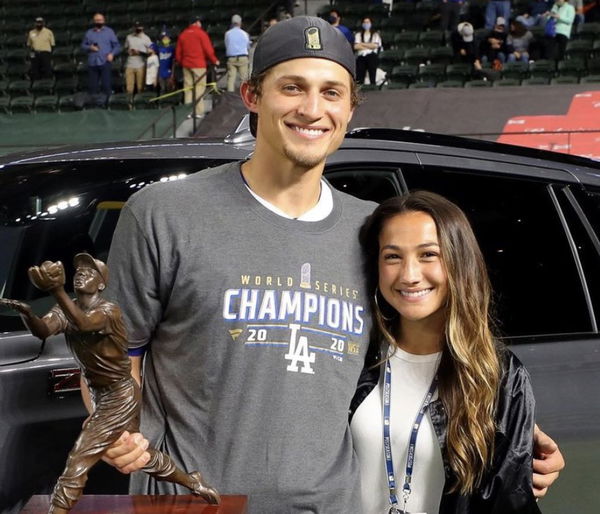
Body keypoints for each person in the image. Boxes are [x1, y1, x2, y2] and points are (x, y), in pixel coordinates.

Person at [95, 16, 563, 514]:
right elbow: (108, 360)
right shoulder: (165, 214)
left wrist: (505, 423)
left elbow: (424, 349)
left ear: (350, 107)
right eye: (292, 88)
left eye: (331, 92)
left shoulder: (373, 232)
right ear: (252, 96)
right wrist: (117, 428)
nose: (312, 109)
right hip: (194, 504)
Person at [351, 191, 542, 513]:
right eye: (392, 257)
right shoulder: (352, 358)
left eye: (428, 255)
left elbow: (509, 501)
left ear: (458, 261)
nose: (409, 275)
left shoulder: (498, 377)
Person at [0, 254, 219, 513]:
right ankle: (191, 480)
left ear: (101, 285)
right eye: (79, 270)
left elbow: (84, 324)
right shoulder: (66, 308)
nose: (82, 274)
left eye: (90, 272)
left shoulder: (107, 311)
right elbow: (43, 331)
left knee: (79, 458)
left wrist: (55, 289)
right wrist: (28, 313)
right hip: (98, 392)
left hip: (120, 393)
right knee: (139, 453)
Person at [175, 15, 219, 118]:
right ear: (196, 23)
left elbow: (178, 53)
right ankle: (198, 112)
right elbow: (208, 50)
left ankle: (187, 112)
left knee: (188, 88)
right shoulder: (201, 33)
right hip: (198, 65)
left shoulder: (183, 35)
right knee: (199, 87)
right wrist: (214, 60)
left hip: (186, 65)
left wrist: (182, 62)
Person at [81, 12, 120, 103]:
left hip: (105, 61)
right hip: (92, 62)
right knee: (92, 86)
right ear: (94, 21)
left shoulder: (109, 32)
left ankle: (107, 104)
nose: (98, 22)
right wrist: (89, 47)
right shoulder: (89, 33)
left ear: (104, 21)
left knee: (106, 85)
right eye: (97, 20)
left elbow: (117, 46)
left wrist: (112, 54)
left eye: (100, 20)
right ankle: (93, 104)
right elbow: (83, 45)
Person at [124, 21, 152, 96]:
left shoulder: (146, 38)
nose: (137, 28)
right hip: (130, 64)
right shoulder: (129, 37)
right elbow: (125, 49)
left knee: (140, 87)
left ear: (142, 28)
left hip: (141, 64)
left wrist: (139, 52)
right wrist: (128, 51)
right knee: (129, 88)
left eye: (139, 26)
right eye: (136, 26)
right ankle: (129, 104)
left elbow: (151, 53)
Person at [224, 14, 250, 92]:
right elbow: (248, 46)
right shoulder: (244, 34)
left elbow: (226, 44)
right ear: (240, 23)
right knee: (244, 78)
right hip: (242, 57)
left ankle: (230, 96)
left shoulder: (227, 34)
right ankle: (244, 95)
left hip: (231, 58)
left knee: (231, 79)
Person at [354, 17, 382, 85]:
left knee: (372, 73)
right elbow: (356, 46)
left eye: (368, 22)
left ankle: (373, 87)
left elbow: (375, 46)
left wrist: (362, 44)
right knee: (360, 76)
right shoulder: (358, 35)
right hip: (361, 56)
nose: (366, 24)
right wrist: (369, 45)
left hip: (371, 56)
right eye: (364, 22)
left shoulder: (375, 35)